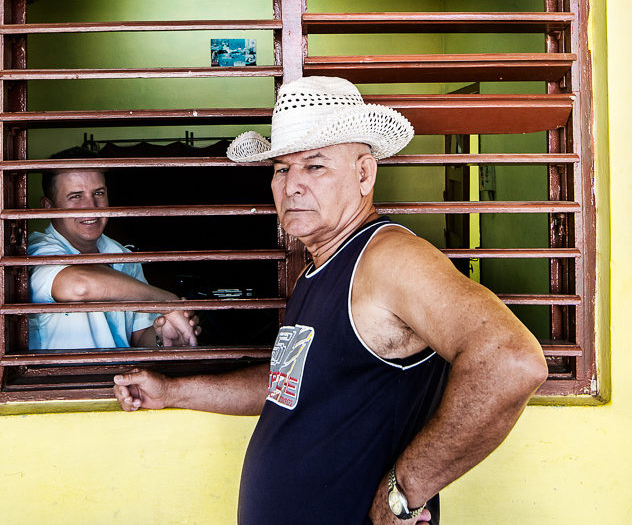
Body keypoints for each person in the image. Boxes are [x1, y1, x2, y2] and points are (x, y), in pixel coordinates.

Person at [113, 77, 548, 525]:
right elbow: (290, 383)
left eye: (315, 166)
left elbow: (511, 361)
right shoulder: (317, 270)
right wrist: (171, 390)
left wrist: (405, 490)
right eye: (282, 168)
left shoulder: (388, 259)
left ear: (364, 174)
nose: (292, 186)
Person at [29, 148, 199, 351]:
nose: (92, 206)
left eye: (98, 193)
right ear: (48, 207)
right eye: (76, 196)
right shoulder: (35, 251)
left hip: (122, 380)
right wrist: (167, 301)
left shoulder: (123, 256)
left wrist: (164, 338)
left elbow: (138, 336)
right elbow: (79, 284)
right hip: (66, 382)